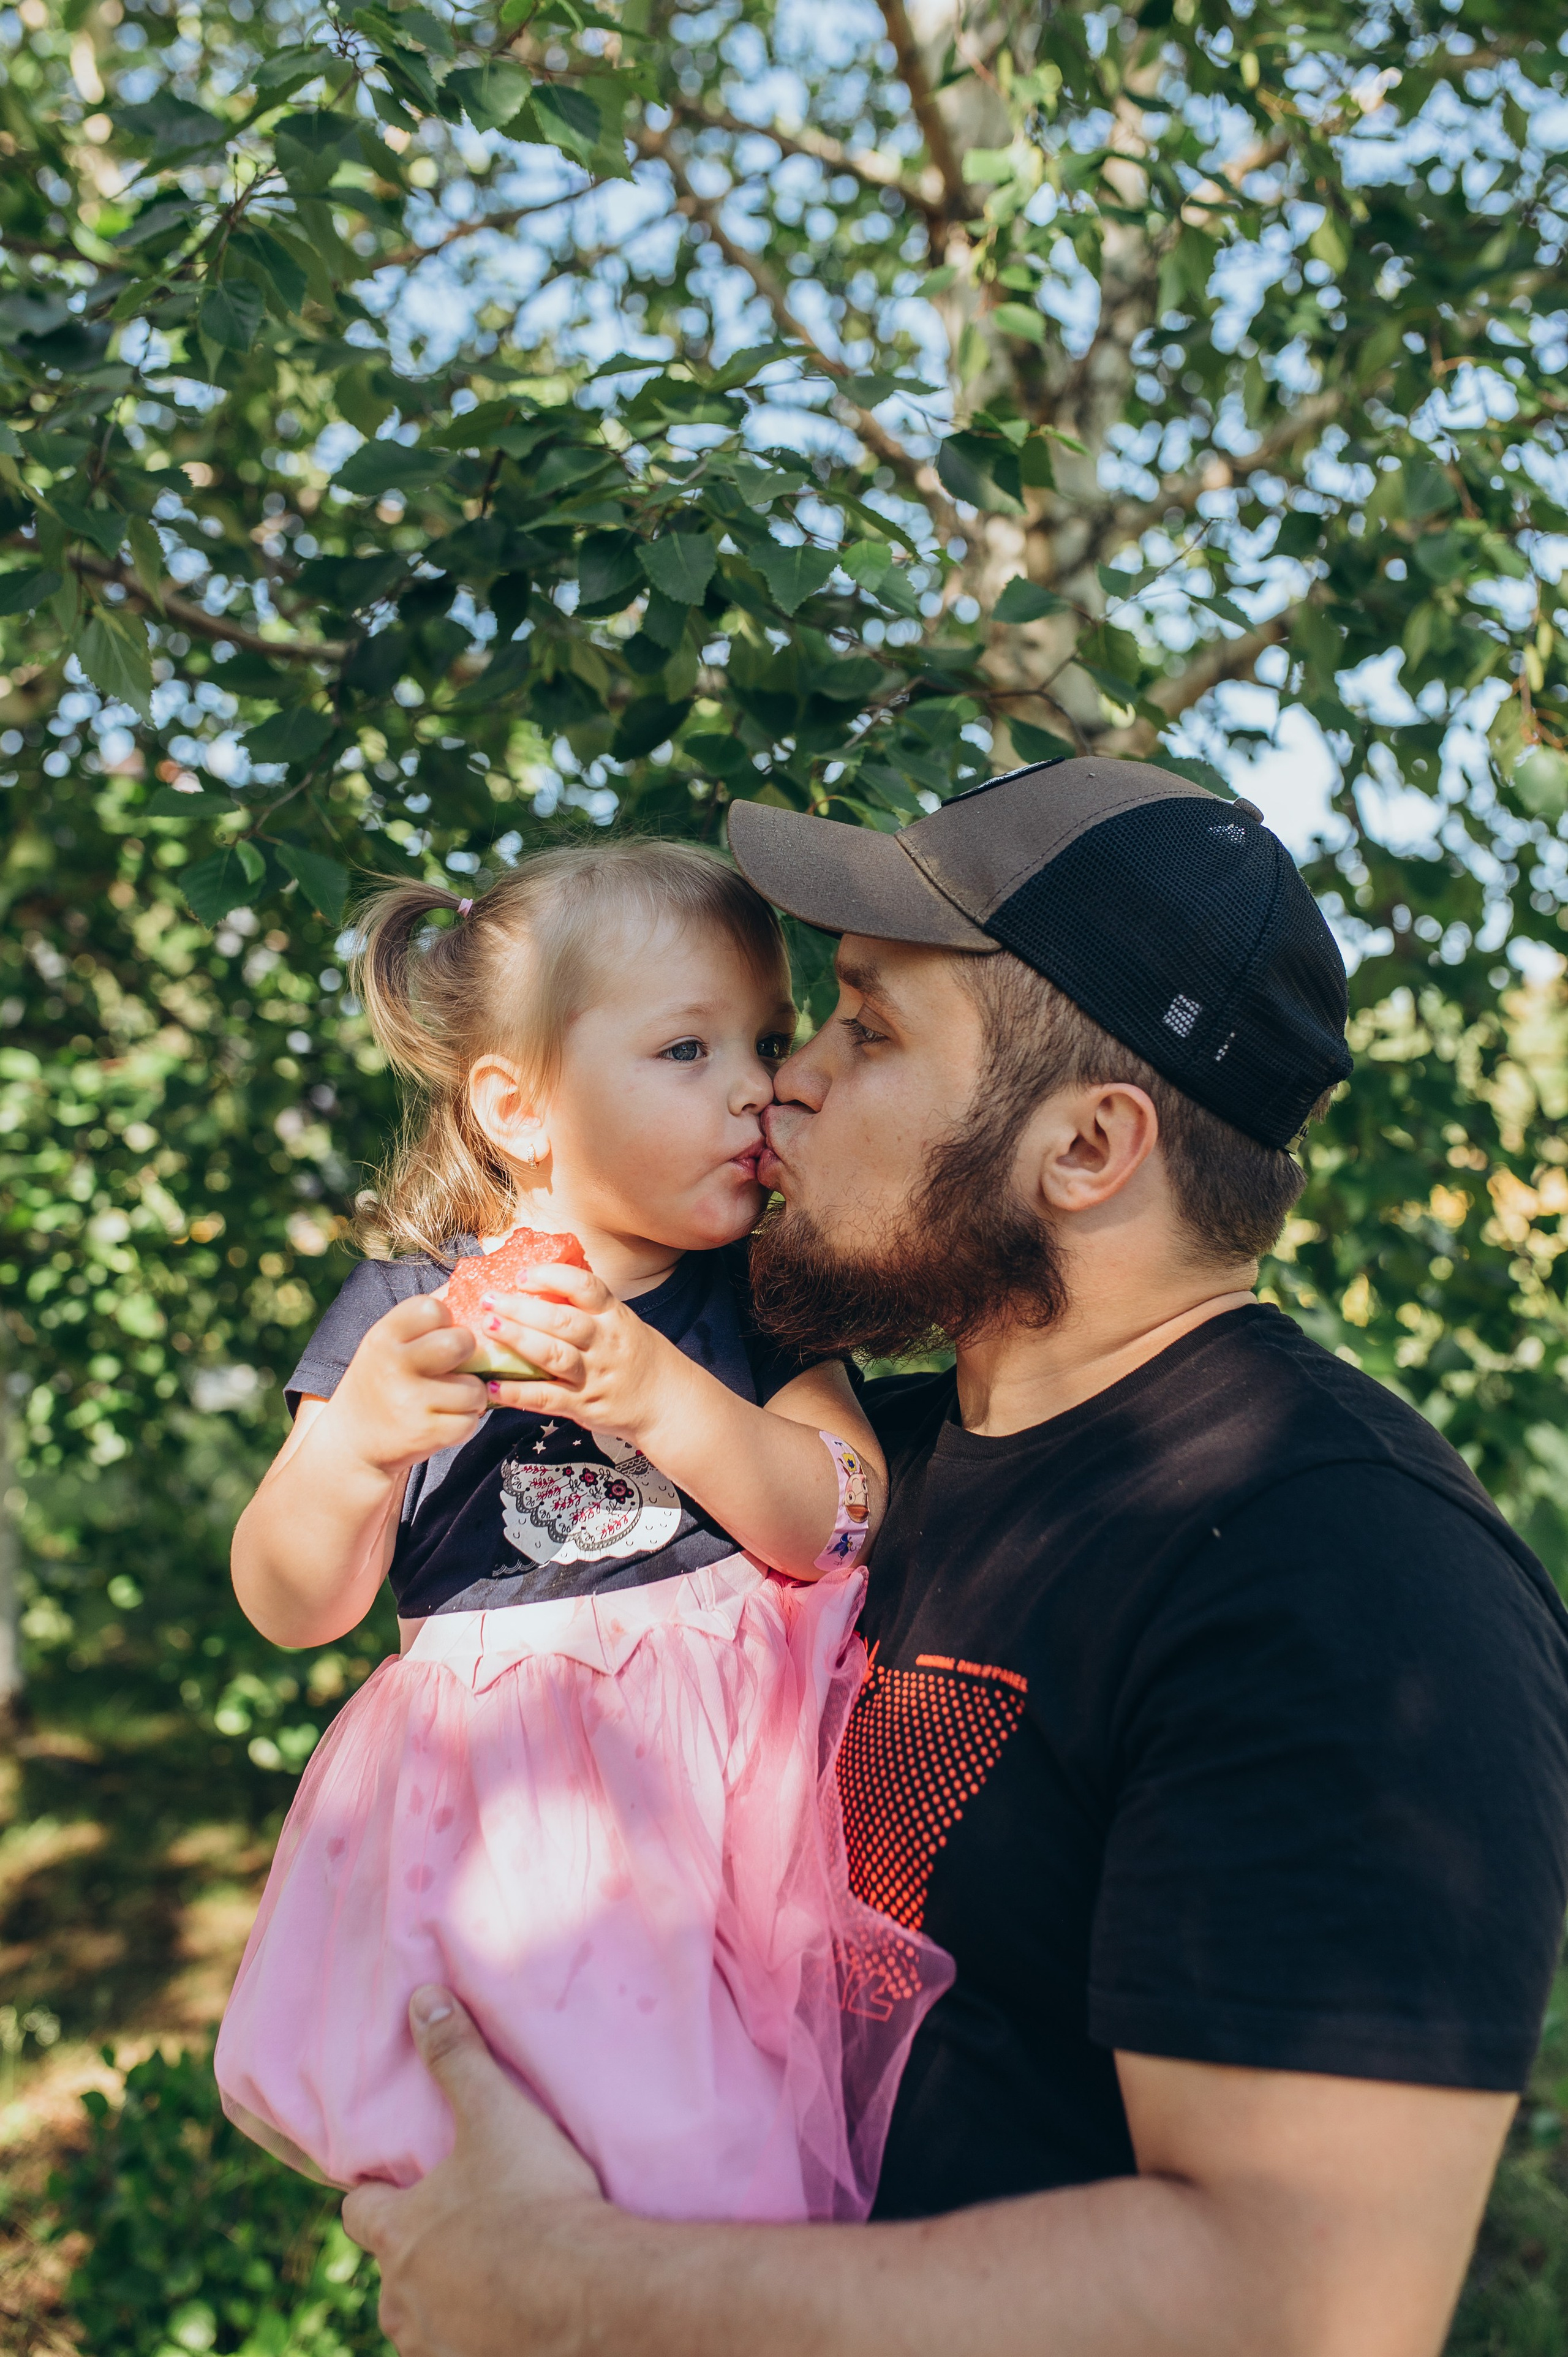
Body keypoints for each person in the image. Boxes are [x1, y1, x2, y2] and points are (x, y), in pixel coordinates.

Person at [342, 756, 1568, 2357]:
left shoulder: (1345, 1571)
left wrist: (575, 2291)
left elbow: (1302, 2306)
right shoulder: (843, 1469)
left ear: (1084, 1150)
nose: (781, 1083)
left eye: (866, 1028)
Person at [214, 840, 951, 2221]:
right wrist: (363, 1439)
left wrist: (659, 1395)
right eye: (687, 1050)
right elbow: (291, 1598)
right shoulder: (407, 1315)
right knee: (518, 2174)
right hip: (494, 1830)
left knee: (707, 2177)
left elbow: (842, 1516)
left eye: (768, 1038)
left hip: (715, 1828)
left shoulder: (745, 1301)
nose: (759, 1085)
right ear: (517, 1105)